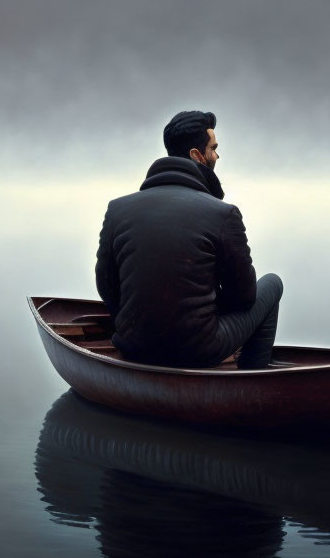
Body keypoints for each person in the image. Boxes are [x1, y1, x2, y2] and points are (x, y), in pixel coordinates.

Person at [95, 110, 283, 369]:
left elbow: (106, 287)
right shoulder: (223, 213)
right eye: (213, 148)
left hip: (134, 346)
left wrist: (134, 327)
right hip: (199, 351)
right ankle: (253, 374)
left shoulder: (117, 209)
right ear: (196, 155)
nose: (217, 156)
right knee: (273, 284)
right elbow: (245, 298)